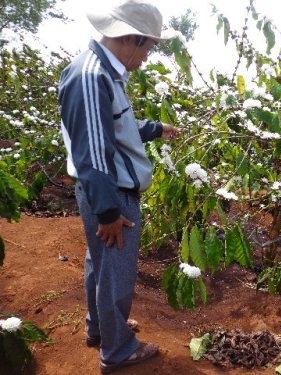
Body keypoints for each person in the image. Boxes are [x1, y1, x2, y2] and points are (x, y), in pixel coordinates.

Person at [58, 1, 181, 373]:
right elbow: (94, 152)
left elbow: (111, 126)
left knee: (101, 263)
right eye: (149, 47)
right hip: (110, 193)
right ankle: (117, 350)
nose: (147, 56)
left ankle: (101, 329)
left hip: (102, 190)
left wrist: (156, 129)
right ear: (131, 39)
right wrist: (110, 212)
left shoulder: (101, 74)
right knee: (116, 270)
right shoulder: (92, 76)